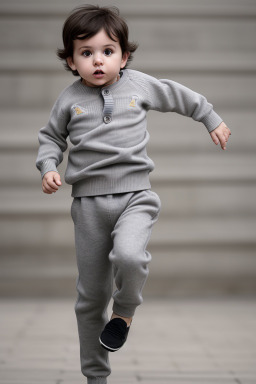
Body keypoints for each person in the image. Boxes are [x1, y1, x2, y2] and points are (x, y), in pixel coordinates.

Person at [36, 5, 231, 384]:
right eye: (86, 52)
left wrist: (211, 117)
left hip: (135, 197)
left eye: (107, 51)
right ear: (72, 61)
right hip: (88, 207)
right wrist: (48, 167)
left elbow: (178, 95)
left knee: (129, 255)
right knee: (90, 298)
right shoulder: (69, 99)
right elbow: (50, 138)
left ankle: (124, 313)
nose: (97, 60)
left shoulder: (138, 85)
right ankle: (96, 376)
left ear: (123, 56)